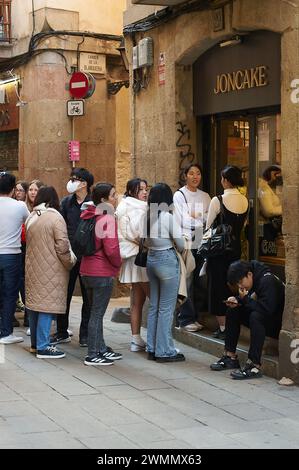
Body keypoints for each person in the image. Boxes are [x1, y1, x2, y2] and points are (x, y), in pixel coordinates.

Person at [210, 260, 284, 379]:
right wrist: (237, 300)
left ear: (249, 275)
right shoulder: (253, 279)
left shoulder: (267, 281)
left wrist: (244, 300)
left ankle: (254, 365)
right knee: (233, 310)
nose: (240, 286)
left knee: (256, 316)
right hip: (265, 317)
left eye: (240, 282)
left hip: (277, 325)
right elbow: (250, 300)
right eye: (237, 284)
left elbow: (266, 310)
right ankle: (230, 357)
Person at [25, 186, 76, 358]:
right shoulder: (55, 218)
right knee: (47, 306)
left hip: (33, 268)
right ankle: (43, 346)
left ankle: (35, 344)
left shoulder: (32, 216)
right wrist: (70, 262)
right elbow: (62, 246)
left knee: (34, 307)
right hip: (51, 269)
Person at [80, 183, 122, 366]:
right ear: (104, 200)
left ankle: (101, 348)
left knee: (94, 313)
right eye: (113, 195)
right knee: (97, 314)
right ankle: (93, 353)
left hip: (86, 270)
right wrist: (118, 264)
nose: (116, 198)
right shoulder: (107, 218)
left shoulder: (90, 214)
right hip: (101, 271)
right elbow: (111, 249)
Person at [51, 168, 94, 346]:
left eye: (75, 179)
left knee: (88, 296)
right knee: (64, 294)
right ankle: (62, 331)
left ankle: (85, 334)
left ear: (84, 183)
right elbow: (60, 226)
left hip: (88, 255)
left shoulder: (94, 202)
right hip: (69, 255)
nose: (71, 181)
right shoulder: (66, 202)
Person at [205, 165, 248, 340]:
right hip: (236, 249)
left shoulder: (218, 200)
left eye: (223, 178)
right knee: (233, 287)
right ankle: (233, 325)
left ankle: (223, 328)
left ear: (226, 180)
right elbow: (243, 226)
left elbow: (208, 228)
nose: (221, 181)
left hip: (218, 251)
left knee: (217, 288)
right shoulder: (245, 201)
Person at [146, 183, 186, 362]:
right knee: (166, 309)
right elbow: (182, 244)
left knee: (154, 306)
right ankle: (164, 350)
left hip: (151, 260)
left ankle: (152, 347)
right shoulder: (167, 217)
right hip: (167, 260)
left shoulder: (147, 216)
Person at [173, 163, 211, 332]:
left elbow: (210, 220)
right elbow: (182, 220)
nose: (195, 177)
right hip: (187, 241)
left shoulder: (206, 196)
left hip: (202, 242)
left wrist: (196, 217)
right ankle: (185, 318)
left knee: (200, 281)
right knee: (187, 280)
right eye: (191, 173)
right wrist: (200, 219)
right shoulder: (179, 195)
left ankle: (196, 315)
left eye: (198, 173)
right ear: (185, 176)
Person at [116, 178, 149, 352]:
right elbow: (137, 233)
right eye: (140, 189)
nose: (144, 192)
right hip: (140, 257)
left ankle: (136, 339)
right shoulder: (137, 207)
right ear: (131, 191)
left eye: (146, 189)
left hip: (132, 257)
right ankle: (154, 340)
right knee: (154, 298)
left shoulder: (124, 206)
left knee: (137, 300)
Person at [0, 172, 29, 344]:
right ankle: (6, 332)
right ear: (12, 189)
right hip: (12, 254)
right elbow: (30, 222)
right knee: (10, 294)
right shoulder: (19, 206)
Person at [13, 181, 29, 326]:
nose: (18, 193)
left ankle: (28, 313)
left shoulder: (26, 208)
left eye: (20, 190)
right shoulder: (12, 205)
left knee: (24, 280)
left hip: (26, 247)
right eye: (16, 190)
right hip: (15, 246)